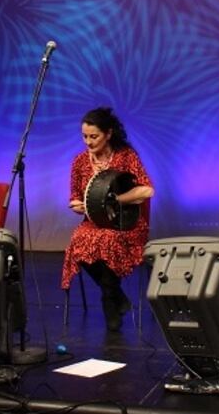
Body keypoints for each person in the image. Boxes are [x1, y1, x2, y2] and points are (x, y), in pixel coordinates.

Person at [62, 107, 154, 331]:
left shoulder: (126, 156)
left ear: (108, 134)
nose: (88, 142)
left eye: (94, 136)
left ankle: (108, 304)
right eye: (85, 136)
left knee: (108, 241)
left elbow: (147, 190)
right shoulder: (80, 162)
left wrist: (114, 200)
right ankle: (117, 297)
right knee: (78, 243)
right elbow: (74, 199)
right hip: (93, 222)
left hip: (125, 223)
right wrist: (81, 206)